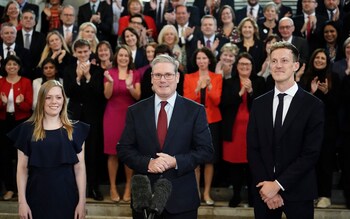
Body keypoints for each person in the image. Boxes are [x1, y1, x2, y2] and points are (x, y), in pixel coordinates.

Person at [117, 54, 214, 219]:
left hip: (182, 201)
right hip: (144, 201)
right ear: (152, 79)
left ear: (177, 77)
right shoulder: (135, 111)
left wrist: (175, 161)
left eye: (168, 75)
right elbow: (124, 149)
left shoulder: (195, 111)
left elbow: (206, 151)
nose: (163, 80)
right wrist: (148, 163)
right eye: (158, 75)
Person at [247, 41, 324, 218]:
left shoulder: (313, 105)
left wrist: (278, 185)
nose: (278, 65)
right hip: (264, 192)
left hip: (299, 191)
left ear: (295, 65)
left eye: (284, 60)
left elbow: (310, 153)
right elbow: (253, 149)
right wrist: (267, 188)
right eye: (274, 61)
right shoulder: (259, 104)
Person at [8, 80, 89, 219]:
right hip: (36, 197)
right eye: (48, 97)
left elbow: (80, 168)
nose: (54, 101)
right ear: (41, 100)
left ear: (64, 100)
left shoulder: (75, 130)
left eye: (58, 97)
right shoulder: (27, 130)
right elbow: (22, 169)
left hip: (67, 197)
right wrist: (22, 202)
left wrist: (82, 202)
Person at [220, 52, 265, 208]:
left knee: (252, 164)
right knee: (235, 165)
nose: (244, 67)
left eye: (247, 65)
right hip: (234, 130)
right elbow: (224, 104)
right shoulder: (229, 82)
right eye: (241, 65)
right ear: (236, 67)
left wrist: (251, 91)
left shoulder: (260, 81)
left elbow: (261, 107)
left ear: (252, 67)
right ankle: (236, 195)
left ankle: (253, 196)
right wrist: (240, 93)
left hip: (253, 130)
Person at [63, 39, 106, 201]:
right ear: (75, 53)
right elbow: (69, 92)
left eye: (85, 51)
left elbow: (98, 93)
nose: (82, 54)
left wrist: (87, 76)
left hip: (92, 117)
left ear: (90, 51)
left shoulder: (97, 70)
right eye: (79, 52)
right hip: (74, 116)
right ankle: (74, 188)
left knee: (93, 153)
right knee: (74, 152)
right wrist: (77, 78)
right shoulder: (68, 70)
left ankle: (93, 188)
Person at [301, 49, 340, 208]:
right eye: (316, 57)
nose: (319, 60)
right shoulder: (305, 78)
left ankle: (325, 195)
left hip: (327, 128)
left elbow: (338, 105)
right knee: (309, 163)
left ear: (327, 61)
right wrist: (311, 92)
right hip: (307, 128)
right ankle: (312, 194)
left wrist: (327, 92)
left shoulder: (334, 77)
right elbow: (299, 104)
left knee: (325, 162)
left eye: (322, 58)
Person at [183, 47, 221, 206]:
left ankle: (206, 192)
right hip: (194, 122)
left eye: (204, 58)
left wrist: (210, 87)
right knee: (195, 160)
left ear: (209, 60)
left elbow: (217, 101)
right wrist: (198, 88)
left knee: (210, 160)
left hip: (213, 121)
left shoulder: (217, 77)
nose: (202, 61)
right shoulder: (189, 77)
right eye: (199, 58)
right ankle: (196, 192)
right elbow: (187, 101)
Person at [103, 45, 141, 203]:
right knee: (113, 154)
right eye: (121, 55)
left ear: (129, 58)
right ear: (116, 57)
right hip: (112, 115)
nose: (123, 58)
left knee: (128, 153)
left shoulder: (135, 73)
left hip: (129, 117)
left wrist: (130, 85)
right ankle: (112, 187)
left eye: (126, 56)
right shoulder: (109, 73)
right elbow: (107, 95)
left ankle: (128, 187)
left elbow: (138, 96)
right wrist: (111, 82)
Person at [0, 55, 33, 201]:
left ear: (19, 66)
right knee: (5, 156)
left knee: (22, 155)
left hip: (21, 122)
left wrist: (19, 103)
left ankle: (23, 188)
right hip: (4, 122)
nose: (11, 67)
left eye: (14, 64)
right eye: (9, 64)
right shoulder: (0, 82)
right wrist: (3, 103)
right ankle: (10, 188)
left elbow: (29, 106)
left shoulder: (26, 82)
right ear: (5, 67)